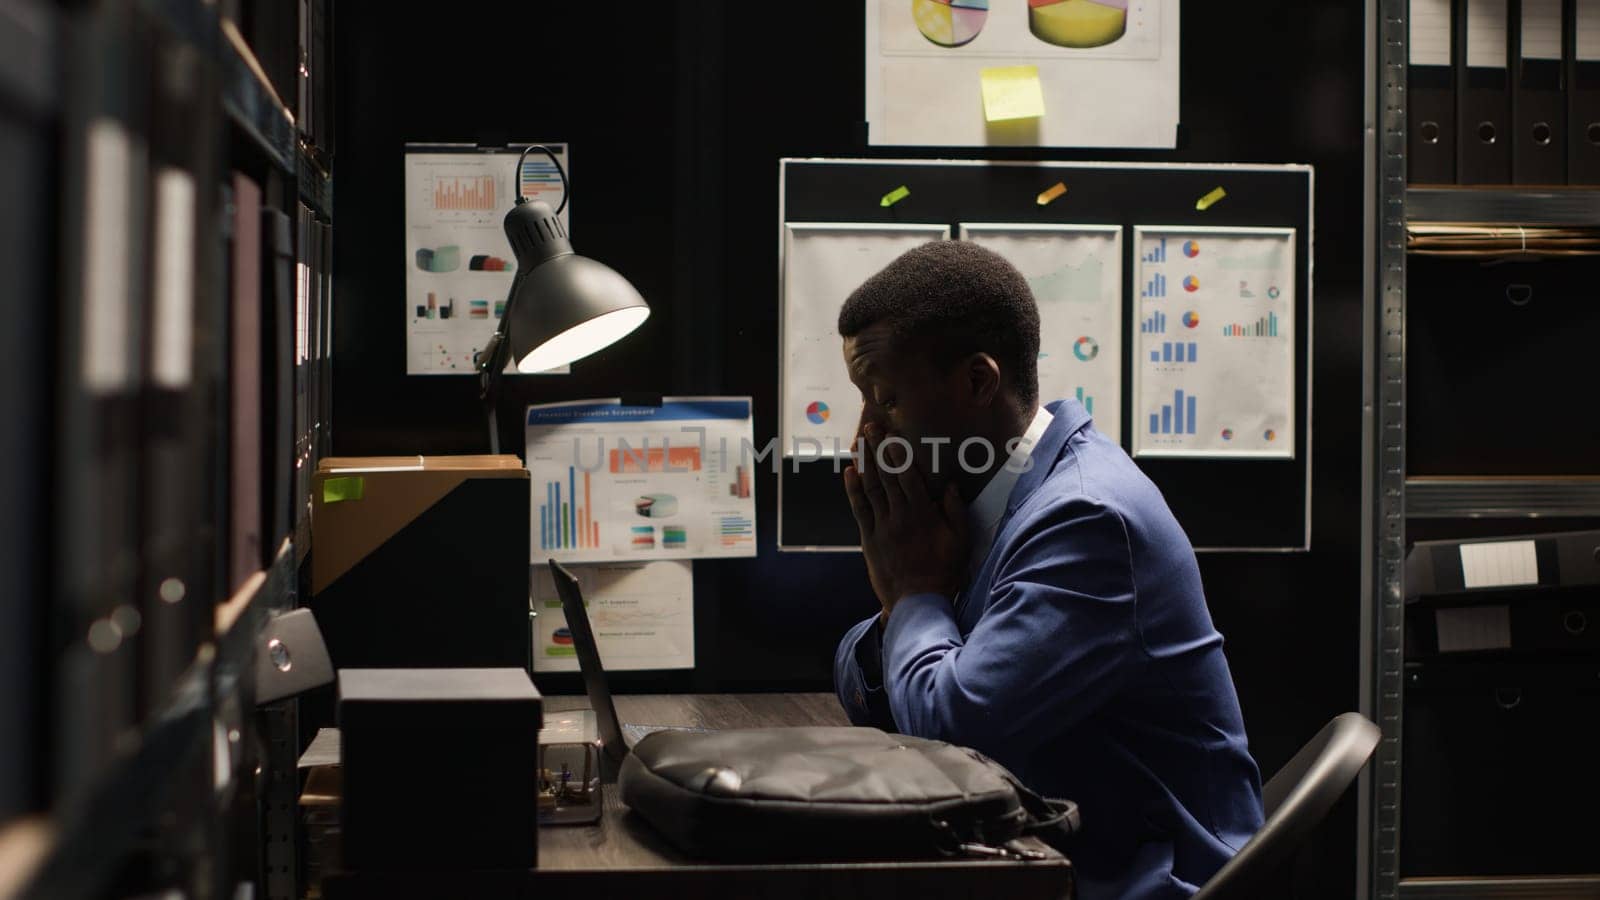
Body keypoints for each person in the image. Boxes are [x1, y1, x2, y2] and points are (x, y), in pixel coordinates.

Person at [831, 241, 1263, 899]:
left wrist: (916, 592)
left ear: (978, 382)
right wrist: (901, 604)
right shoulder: (994, 497)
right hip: (1059, 856)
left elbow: (954, 734)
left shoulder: (1087, 519)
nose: (865, 432)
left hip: (1146, 883)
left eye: (886, 399)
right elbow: (863, 681)